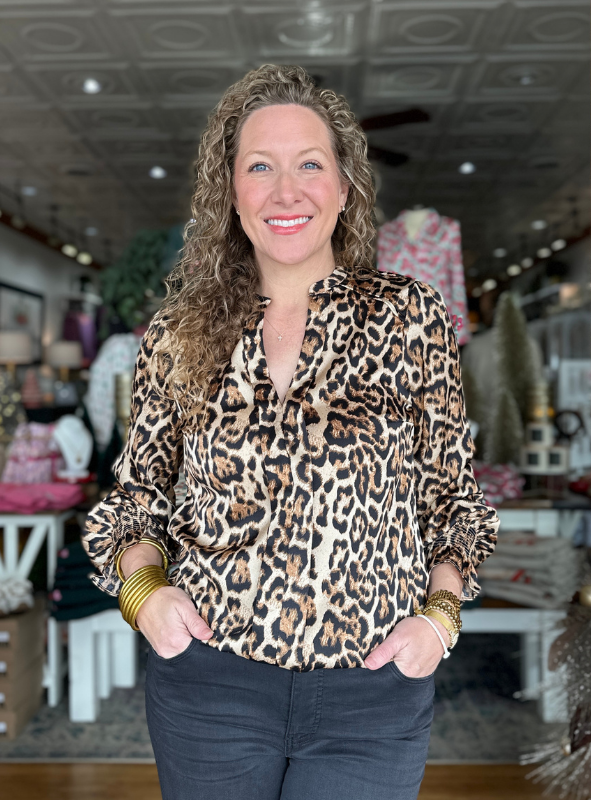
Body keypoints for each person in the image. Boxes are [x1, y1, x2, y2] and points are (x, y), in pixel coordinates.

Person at [82, 64, 500, 800]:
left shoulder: (409, 318)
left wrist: (439, 619)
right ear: (230, 192)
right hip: (209, 684)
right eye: (260, 167)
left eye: (310, 164)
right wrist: (145, 594)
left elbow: (452, 502)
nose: (286, 191)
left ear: (344, 188)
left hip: (372, 689)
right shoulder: (176, 335)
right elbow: (138, 494)